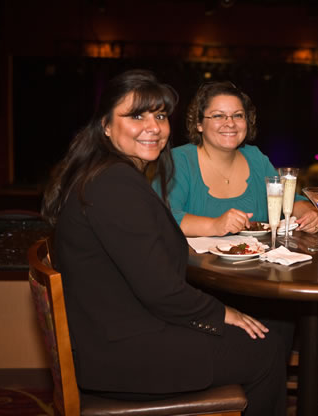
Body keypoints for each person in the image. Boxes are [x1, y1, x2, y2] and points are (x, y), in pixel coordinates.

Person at [41, 69, 286, 416]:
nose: (153, 127)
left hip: (114, 335)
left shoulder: (105, 173)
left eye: (159, 116)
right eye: (136, 116)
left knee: (264, 331)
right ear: (106, 125)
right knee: (268, 347)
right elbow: (161, 290)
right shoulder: (113, 184)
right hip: (123, 356)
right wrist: (222, 313)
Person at [155, 81, 318, 237]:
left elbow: (289, 201)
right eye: (218, 116)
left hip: (258, 257)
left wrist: (309, 213)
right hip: (190, 259)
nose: (230, 123)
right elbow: (160, 217)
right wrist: (215, 225)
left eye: (238, 115)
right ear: (199, 123)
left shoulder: (256, 159)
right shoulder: (178, 161)